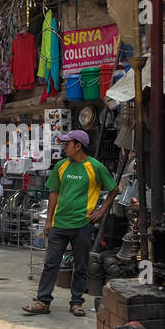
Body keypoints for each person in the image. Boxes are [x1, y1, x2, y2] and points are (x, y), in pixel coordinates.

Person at [23, 130, 118, 317]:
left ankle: (76, 302)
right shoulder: (61, 166)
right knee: (51, 263)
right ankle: (43, 301)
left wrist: (101, 210)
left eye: (67, 144)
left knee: (81, 265)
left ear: (78, 146)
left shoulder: (95, 167)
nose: (64, 147)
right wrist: (48, 220)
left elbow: (113, 189)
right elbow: (54, 193)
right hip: (59, 223)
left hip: (82, 223)